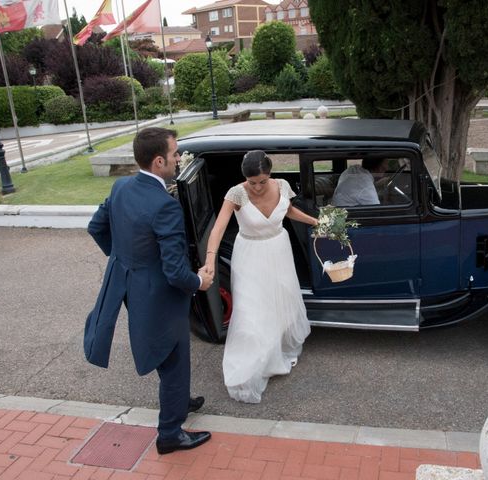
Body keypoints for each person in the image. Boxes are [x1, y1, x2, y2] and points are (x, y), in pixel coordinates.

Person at [84, 127, 213, 455]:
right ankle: (170, 433)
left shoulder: (121, 186)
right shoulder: (164, 205)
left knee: (168, 352)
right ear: (159, 162)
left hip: (134, 290)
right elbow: (174, 271)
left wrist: (127, 263)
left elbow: (96, 227)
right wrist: (200, 282)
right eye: (175, 154)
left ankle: (180, 400)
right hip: (161, 297)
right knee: (173, 360)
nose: (179, 158)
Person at [204, 150, 318, 404]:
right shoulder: (236, 193)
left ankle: (274, 351)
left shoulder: (283, 186)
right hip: (250, 256)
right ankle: (247, 368)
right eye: (252, 182)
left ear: (270, 174)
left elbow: (288, 211)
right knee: (250, 310)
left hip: (278, 250)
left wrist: (315, 222)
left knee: (279, 301)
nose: (256, 187)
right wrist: (210, 259)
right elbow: (218, 228)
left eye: (262, 181)